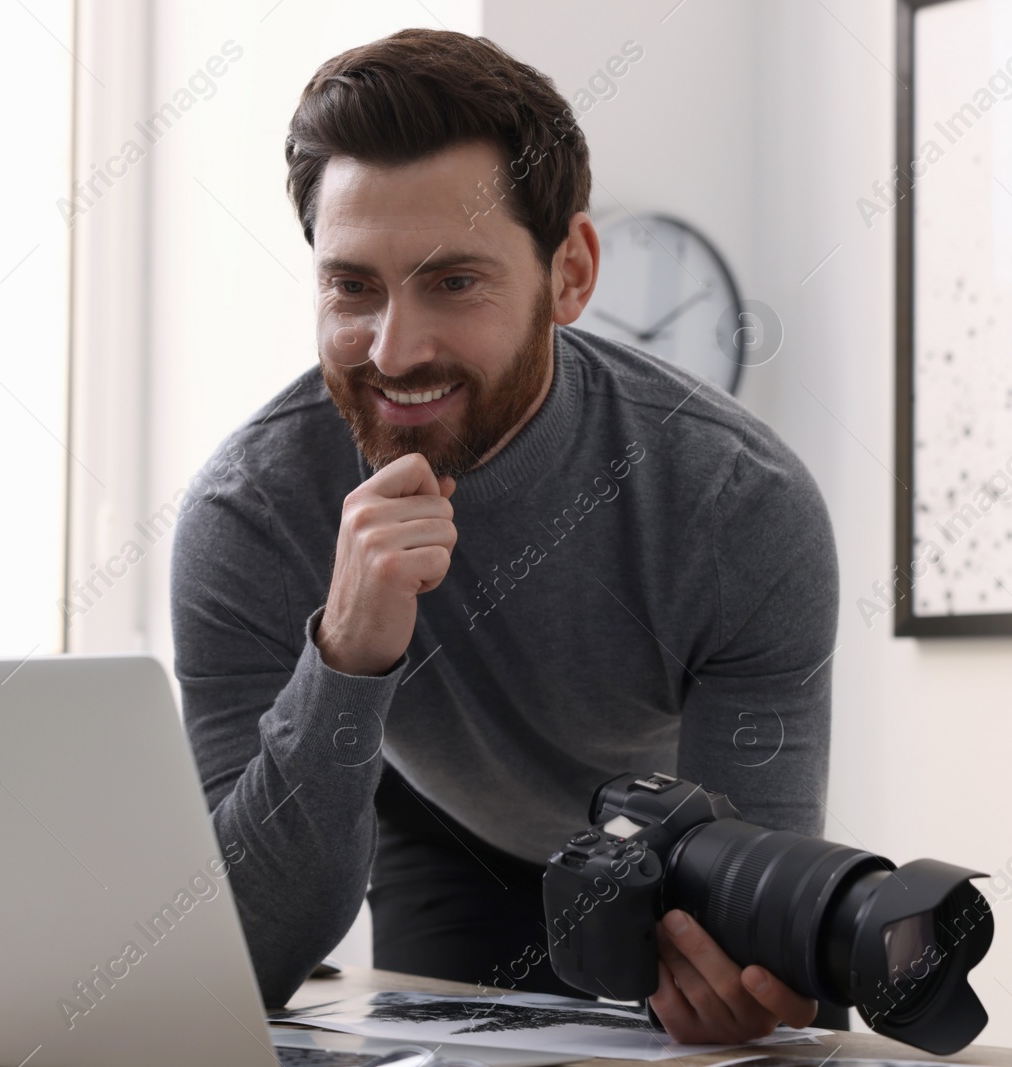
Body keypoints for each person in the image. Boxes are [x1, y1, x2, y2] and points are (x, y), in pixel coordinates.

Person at [171, 28, 841, 1044]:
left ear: (569, 273)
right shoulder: (247, 514)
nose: (394, 350)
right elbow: (243, 955)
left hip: (671, 831)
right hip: (445, 825)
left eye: (452, 282)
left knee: (751, 1011)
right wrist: (348, 655)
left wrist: (748, 976)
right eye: (352, 286)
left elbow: (750, 896)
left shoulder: (738, 507)